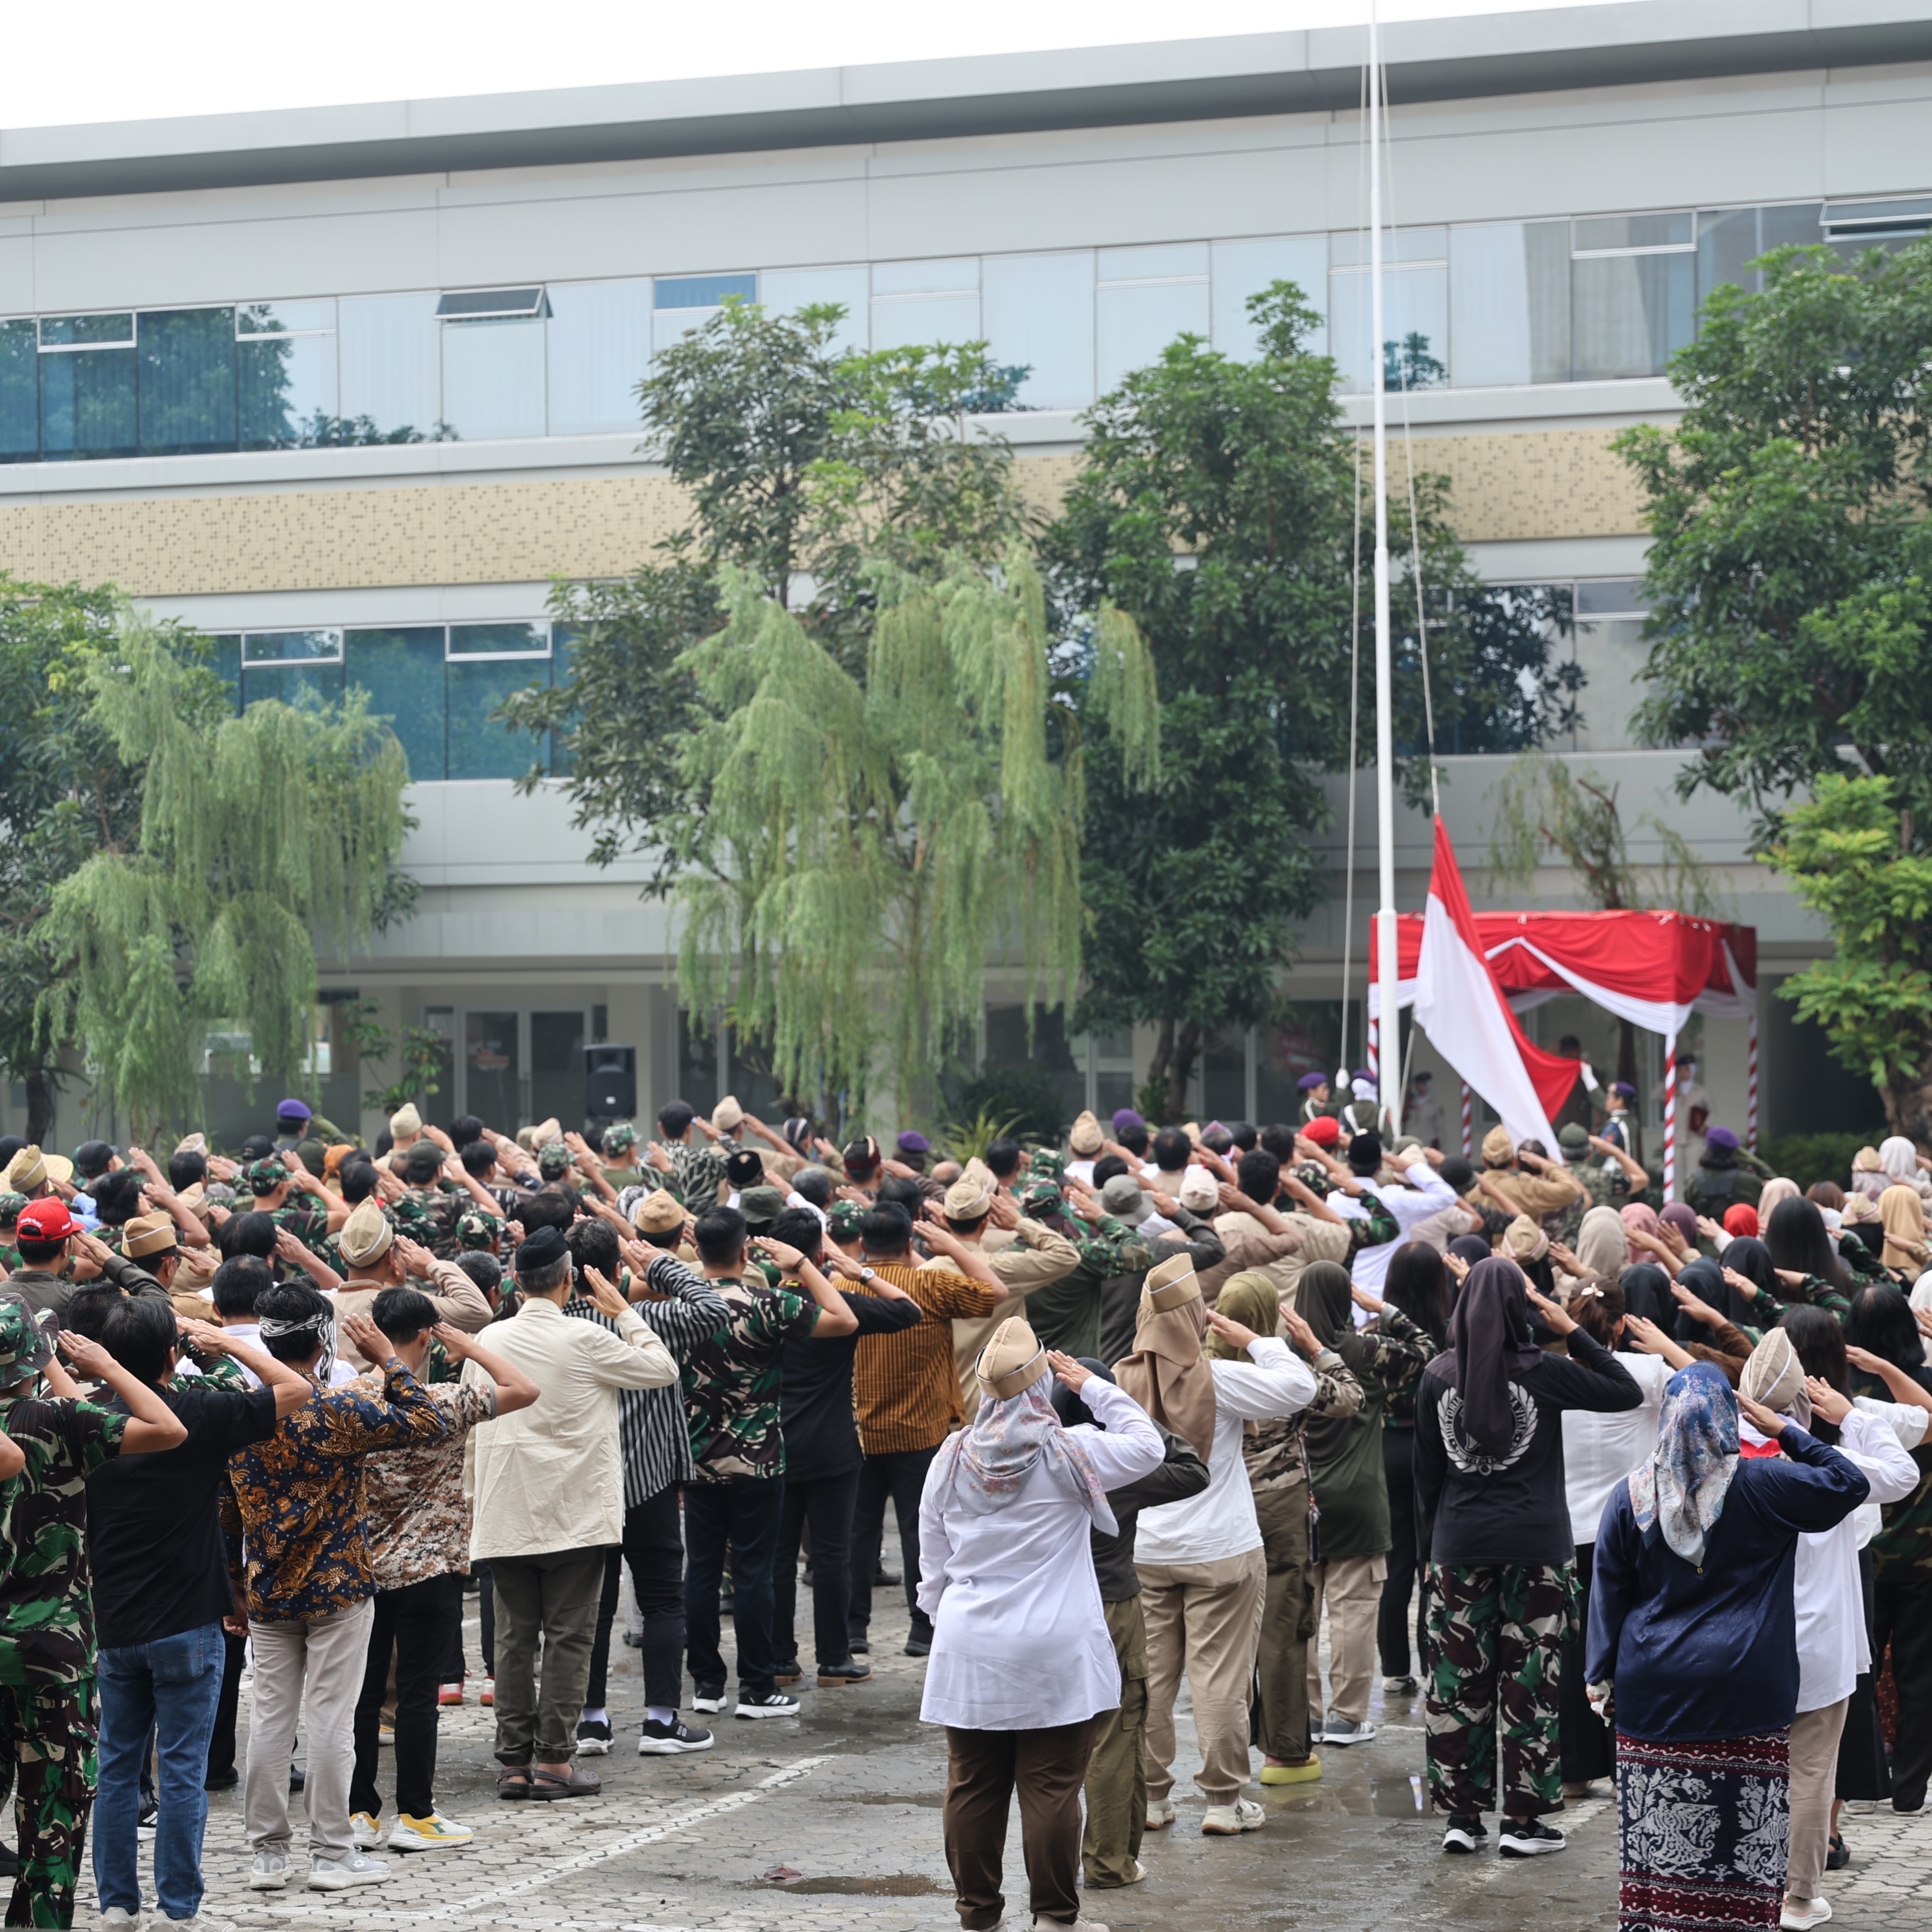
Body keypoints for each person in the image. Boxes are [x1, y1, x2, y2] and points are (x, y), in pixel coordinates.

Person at [1587, 1365, 1871, 1932]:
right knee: (1746, 1837)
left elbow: (1608, 1595)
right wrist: (1785, 1430)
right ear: (1726, 1418)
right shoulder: (1765, 1484)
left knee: (1656, 1834)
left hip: (1654, 1691)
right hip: (1747, 1688)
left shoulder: (1632, 1495)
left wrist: (1598, 1675)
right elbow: (1849, 1483)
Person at [918, 1317, 1164, 1932]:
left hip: (969, 1640)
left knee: (972, 1784)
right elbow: (1149, 1444)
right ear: (1040, 1384)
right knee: (1051, 1787)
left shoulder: (951, 1456)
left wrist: (948, 1623)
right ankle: (1054, 1918)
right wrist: (1091, 1385)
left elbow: (931, 1561)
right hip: (1053, 1643)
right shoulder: (1071, 1451)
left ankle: (979, 1916)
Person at [1412, 1255, 1642, 1858]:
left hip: (1458, 1549)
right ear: (1522, 1306)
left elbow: (1426, 1477)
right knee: (1530, 1686)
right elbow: (1624, 1390)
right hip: (1535, 1550)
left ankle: (1461, 1816)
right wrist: (1571, 1328)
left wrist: (1428, 1555)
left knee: (1456, 1687)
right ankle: (1522, 1821)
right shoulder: (1544, 1371)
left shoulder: (1437, 1375)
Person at [87, 1302, 306, 1932]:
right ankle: (179, 1911)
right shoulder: (199, 1411)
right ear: (171, 1354)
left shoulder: (88, 1418)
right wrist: (225, 1342)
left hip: (115, 1622)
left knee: (116, 1770)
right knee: (182, 1772)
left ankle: (116, 1906)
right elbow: (296, 1389)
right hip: (187, 1621)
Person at [227, 1289, 449, 1892]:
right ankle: (331, 1852)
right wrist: (389, 1360)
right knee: (331, 1718)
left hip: (268, 1588)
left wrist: (234, 1586)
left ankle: (268, 1854)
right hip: (338, 1588)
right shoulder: (336, 1408)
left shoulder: (241, 1413)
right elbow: (428, 1420)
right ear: (321, 1340)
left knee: (271, 1719)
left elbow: (225, 1511)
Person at [464, 1227, 681, 1798]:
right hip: (574, 1515)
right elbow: (662, 1368)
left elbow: (470, 1429)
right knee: (568, 1639)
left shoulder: (489, 1338)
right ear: (567, 1280)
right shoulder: (588, 1336)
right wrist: (624, 1312)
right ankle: (555, 1763)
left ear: (516, 1281)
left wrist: (471, 1504)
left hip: (506, 1510)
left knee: (513, 1641)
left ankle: (514, 1763)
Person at [0, 1302, 181, 1930]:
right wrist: (95, 1365)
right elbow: (167, 1428)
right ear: (32, 1359)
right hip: (55, 1649)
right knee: (54, 1807)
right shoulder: (62, 1419)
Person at [1733, 1329, 1918, 1932]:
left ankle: (1746, 1885)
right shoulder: (1830, 1472)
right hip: (1818, 1646)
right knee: (1810, 1771)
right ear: (1804, 1406)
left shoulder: (1729, 1462)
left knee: (1749, 1766)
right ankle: (1798, 1898)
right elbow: (1901, 1474)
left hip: (1745, 1642)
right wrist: (1853, 1415)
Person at [1129, 1255, 1316, 1836]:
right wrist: (1256, 1340)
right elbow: (1300, 1386)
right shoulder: (1216, 1378)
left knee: (1151, 1681)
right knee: (1220, 1680)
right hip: (1221, 1547)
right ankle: (1221, 1800)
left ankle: (1150, 1797)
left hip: (1148, 1549)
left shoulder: (1119, 1379)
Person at [348, 1291, 539, 1851]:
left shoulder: (348, 1398)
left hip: (362, 1569)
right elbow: (524, 1388)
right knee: (416, 1696)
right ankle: (416, 1814)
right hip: (429, 1569)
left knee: (360, 1696)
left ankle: (359, 1812)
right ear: (427, 1335)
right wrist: (469, 1345)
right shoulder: (445, 1401)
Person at [660, 1207, 857, 1719]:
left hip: (697, 1459)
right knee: (754, 1572)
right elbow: (845, 1319)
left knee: (701, 1571)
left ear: (698, 1251)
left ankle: (707, 1684)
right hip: (758, 1460)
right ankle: (757, 1685)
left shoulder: (678, 1310)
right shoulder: (768, 1304)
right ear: (746, 1252)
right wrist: (803, 1264)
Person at [562, 1228, 731, 1758]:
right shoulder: (646, 1321)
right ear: (618, 1271)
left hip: (585, 1486)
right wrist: (659, 1264)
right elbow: (714, 1309)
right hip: (650, 1484)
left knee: (591, 1608)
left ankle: (591, 1721)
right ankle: (660, 1720)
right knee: (661, 1602)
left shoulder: (556, 1326)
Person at [1047, 1358, 1209, 1891]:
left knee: (1046, 1743)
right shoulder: (1116, 1463)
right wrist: (1118, 1405)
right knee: (1115, 1735)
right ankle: (1108, 1861)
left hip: (1042, 1609)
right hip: (1110, 1604)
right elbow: (1190, 1467)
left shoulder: (1027, 1455)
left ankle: (1046, 1872)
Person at [1206, 1271, 1358, 1788]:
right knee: (1283, 1624)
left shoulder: (1195, 1366)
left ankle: (1220, 1759)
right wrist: (1316, 1348)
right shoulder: (1283, 1373)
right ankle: (1285, 1753)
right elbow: (1349, 1398)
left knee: (1219, 1635)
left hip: (1216, 1507)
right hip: (1278, 1507)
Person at [762, 1209, 921, 1691]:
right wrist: (859, 1272)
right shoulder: (840, 1307)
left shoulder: (761, 1306)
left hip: (773, 1446)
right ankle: (834, 1660)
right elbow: (908, 1310)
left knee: (778, 1558)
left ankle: (780, 1660)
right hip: (832, 1447)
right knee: (832, 1555)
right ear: (818, 1253)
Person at [848, 1204, 1006, 1661]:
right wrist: (952, 1246)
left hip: (859, 1432)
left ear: (862, 1244)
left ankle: (853, 1629)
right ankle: (922, 1627)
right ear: (909, 1244)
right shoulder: (931, 1284)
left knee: (857, 1533)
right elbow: (995, 1291)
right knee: (922, 1532)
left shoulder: (841, 1286)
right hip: (921, 1430)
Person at [1554, 1278, 1688, 1797]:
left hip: (1567, 1528)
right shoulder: (1648, 1371)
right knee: (1630, 1643)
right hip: (1633, 1528)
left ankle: (1573, 1767)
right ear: (1619, 1324)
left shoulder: (1552, 1373)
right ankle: (1627, 1759)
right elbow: (1708, 1391)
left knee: (1572, 1648)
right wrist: (1666, 1346)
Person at [1298, 1260, 1432, 1748]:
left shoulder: (1281, 1354)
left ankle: (1306, 1715)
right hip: (1360, 1498)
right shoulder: (1364, 1349)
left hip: (1299, 1499)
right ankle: (1347, 1717)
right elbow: (1428, 1352)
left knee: (1301, 1616)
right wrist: (1384, 1309)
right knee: (1353, 1612)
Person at [1378, 1242, 1452, 1694]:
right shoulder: (1450, 1333)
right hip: (1434, 1452)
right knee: (1432, 1558)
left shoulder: (1376, 1334)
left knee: (1396, 1562)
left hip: (1386, 1449)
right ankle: (1432, 1663)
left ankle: (1393, 1669)